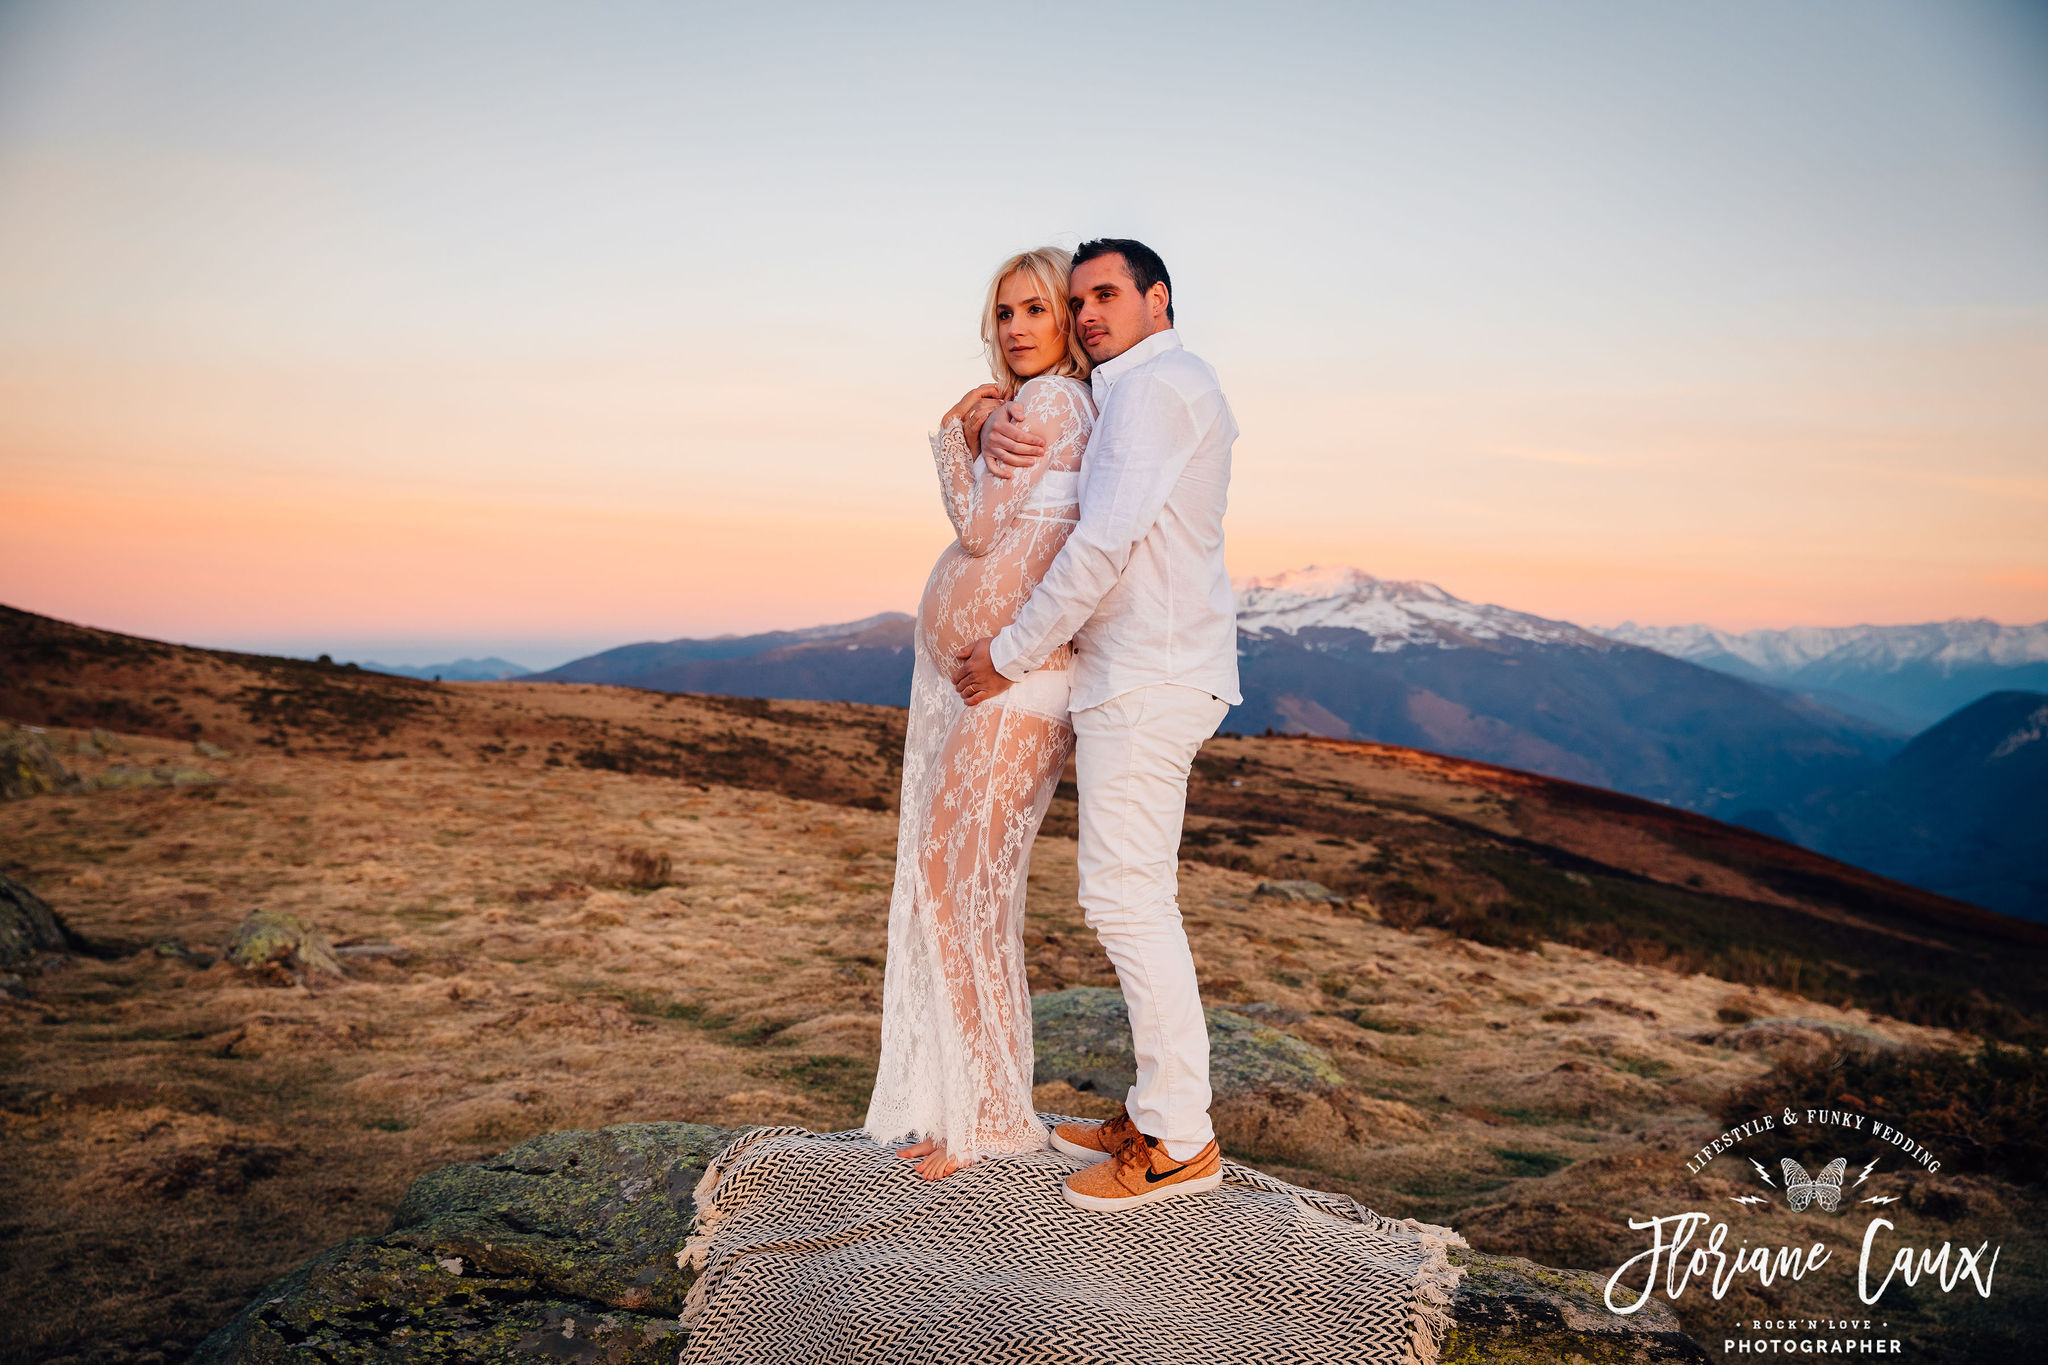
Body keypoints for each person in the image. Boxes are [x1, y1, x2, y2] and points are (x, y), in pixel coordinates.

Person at [953, 237, 1241, 1211]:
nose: (1084, 314)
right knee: (1131, 895)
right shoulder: (1137, 389)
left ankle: (1178, 1144)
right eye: (1075, 299)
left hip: (1148, 675)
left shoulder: (1157, 389)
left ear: (1157, 300)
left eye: (1104, 294)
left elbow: (1102, 543)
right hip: (1145, 672)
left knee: (1125, 902)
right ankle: (1157, 1111)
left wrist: (1006, 654)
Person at [863, 248, 1096, 1179]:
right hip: (1008, 685)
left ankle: (992, 1119)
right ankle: (980, 1105)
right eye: (1004, 313)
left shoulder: (1039, 405)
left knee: (961, 889)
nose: (1015, 329)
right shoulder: (1053, 406)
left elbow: (979, 528)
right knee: (966, 886)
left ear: (1066, 321)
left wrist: (954, 436)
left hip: (1018, 686)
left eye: (1036, 309)